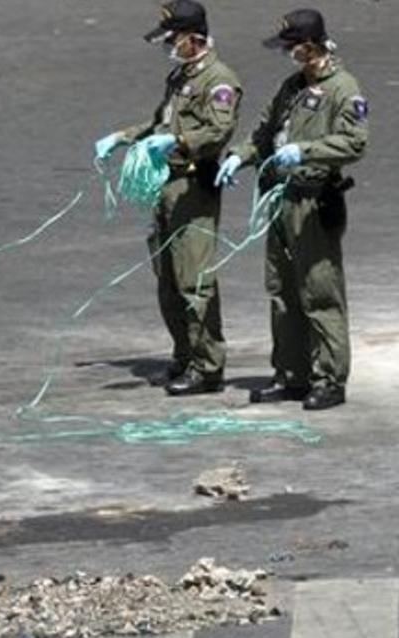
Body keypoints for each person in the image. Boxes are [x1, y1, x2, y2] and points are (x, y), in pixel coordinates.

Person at [216, 9, 368, 411]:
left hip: (314, 202)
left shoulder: (342, 88)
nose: (289, 55)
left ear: (311, 46)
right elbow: (264, 134)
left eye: (293, 47)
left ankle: (330, 379)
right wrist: (239, 156)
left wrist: (306, 151)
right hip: (281, 200)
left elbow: (354, 143)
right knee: (282, 290)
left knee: (319, 292)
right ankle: (292, 374)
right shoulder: (292, 87)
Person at [94, 0, 242, 396]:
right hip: (167, 187)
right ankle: (184, 355)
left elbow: (217, 131)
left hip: (193, 187)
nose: (168, 47)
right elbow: (160, 121)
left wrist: (177, 142)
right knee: (169, 279)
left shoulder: (219, 80)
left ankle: (208, 367)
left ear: (194, 38)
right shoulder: (180, 77)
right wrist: (125, 137)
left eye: (173, 39)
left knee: (195, 280)